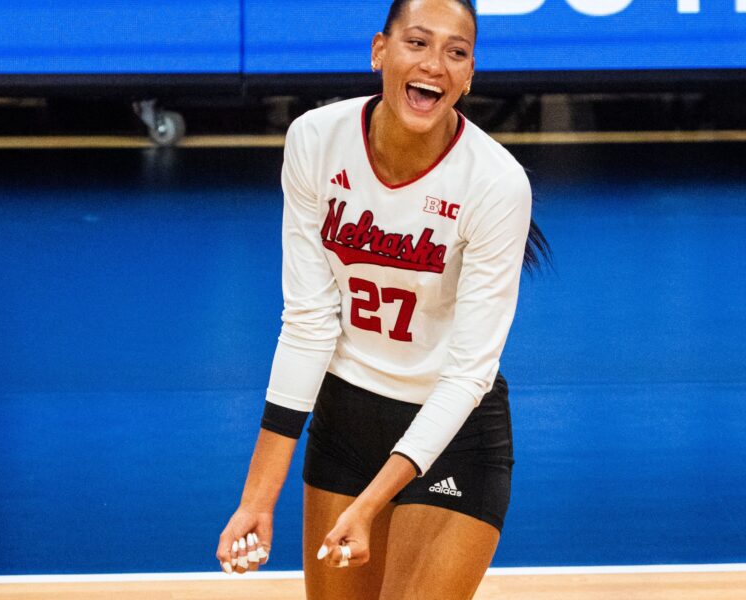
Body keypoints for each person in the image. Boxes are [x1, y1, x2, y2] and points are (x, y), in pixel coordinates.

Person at [216, 1, 547, 598]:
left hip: (454, 435)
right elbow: (308, 325)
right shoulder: (316, 140)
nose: (436, 64)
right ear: (379, 51)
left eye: (457, 51)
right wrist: (257, 500)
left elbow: (470, 373)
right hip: (346, 423)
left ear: (470, 76)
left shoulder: (497, 182)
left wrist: (372, 502)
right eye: (417, 43)